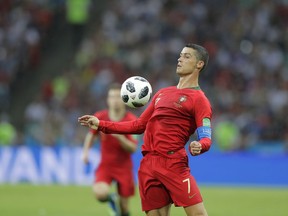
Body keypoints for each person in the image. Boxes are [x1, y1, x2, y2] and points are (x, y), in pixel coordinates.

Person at [79, 43, 212, 216]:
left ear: (199, 64)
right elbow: (138, 125)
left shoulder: (199, 99)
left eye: (187, 56)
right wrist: (101, 124)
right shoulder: (162, 93)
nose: (180, 59)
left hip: (173, 164)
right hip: (148, 164)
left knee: (198, 214)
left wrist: (200, 146)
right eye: (180, 55)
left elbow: (206, 137)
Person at [81, 83, 138, 216]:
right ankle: (111, 198)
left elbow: (133, 148)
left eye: (118, 97)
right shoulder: (100, 117)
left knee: (124, 209)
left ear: (124, 99)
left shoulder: (131, 120)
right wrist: (85, 153)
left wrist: (119, 136)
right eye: (112, 97)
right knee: (100, 194)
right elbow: (91, 135)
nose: (115, 100)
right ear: (108, 100)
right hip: (106, 166)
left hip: (124, 167)